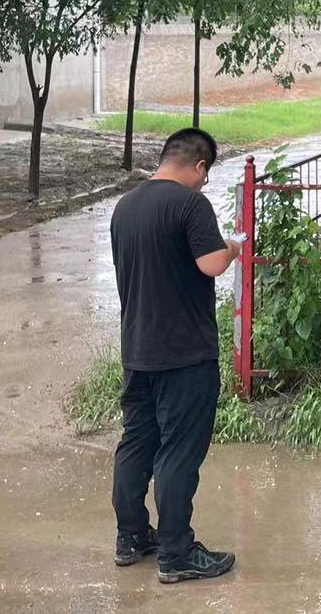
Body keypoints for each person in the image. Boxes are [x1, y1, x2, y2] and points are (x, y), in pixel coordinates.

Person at [109, 127, 242, 583]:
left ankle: (130, 537)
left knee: (137, 444)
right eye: (206, 176)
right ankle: (176, 553)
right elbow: (211, 264)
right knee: (179, 454)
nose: (205, 184)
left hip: (137, 351)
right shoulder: (190, 204)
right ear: (199, 165)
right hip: (185, 355)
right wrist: (235, 247)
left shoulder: (125, 207)